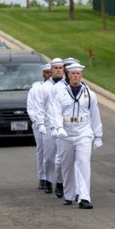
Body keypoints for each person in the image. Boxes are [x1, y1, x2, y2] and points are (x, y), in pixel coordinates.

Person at [48, 61, 103, 209]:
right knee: (67, 165)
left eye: (78, 74)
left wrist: (98, 135)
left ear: (81, 75)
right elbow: (56, 112)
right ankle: (69, 194)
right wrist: (58, 127)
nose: (76, 76)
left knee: (83, 163)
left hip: (83, 131)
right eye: (73, 74)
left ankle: (84, 197)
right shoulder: (60, 93)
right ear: (68, 75)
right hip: (66, 131)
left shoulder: (90, 94)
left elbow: (95, 115)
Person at [27, 63, 54, 193]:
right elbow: (31, 108)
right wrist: (38, 123)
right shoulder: (36, 89)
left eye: (51, 72)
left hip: (51, 124)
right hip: (39, 124)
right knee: (42, 151)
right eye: (47, 73)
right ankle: (42, 177)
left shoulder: (55, 88)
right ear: (43, 74)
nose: (49, 75)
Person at [42, 57, 67, 199]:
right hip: (48, 125)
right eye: (55, 68)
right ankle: (47, 179)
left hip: (63, 126)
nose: (58, 70)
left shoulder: (66, 86)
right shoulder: (45, 87)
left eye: (60, 68)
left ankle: (61, 182)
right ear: (51, 70)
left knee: (62, 157)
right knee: (49, 156)